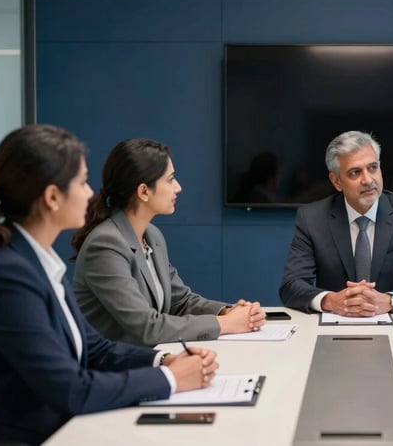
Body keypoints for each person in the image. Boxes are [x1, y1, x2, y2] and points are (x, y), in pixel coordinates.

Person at [0, 125, 218, 445]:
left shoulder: (38, 263)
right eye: (82, 182)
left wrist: (163, 360)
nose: (90, 193)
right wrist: (170, 378)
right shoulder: (8, 278)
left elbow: (96, 349)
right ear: (52, 197)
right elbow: (73, 390)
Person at [72, 138, 265, 346]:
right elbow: (147, 327)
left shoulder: (152, 235)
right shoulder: (105, 244)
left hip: (147, 361)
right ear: (144, 191)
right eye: (170, 179)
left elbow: (180, 301)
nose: (178, 187)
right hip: (110, 371)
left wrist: (229, 311)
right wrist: (226, 324)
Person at [279, 130, 393, 315]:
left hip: (392, 325)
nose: (367, 180)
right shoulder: (312, 218)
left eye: (373, 167)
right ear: (337, 181)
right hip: (333, 325)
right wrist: (330, 301)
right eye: (355, 172)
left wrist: (390, 301)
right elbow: (291, 285)